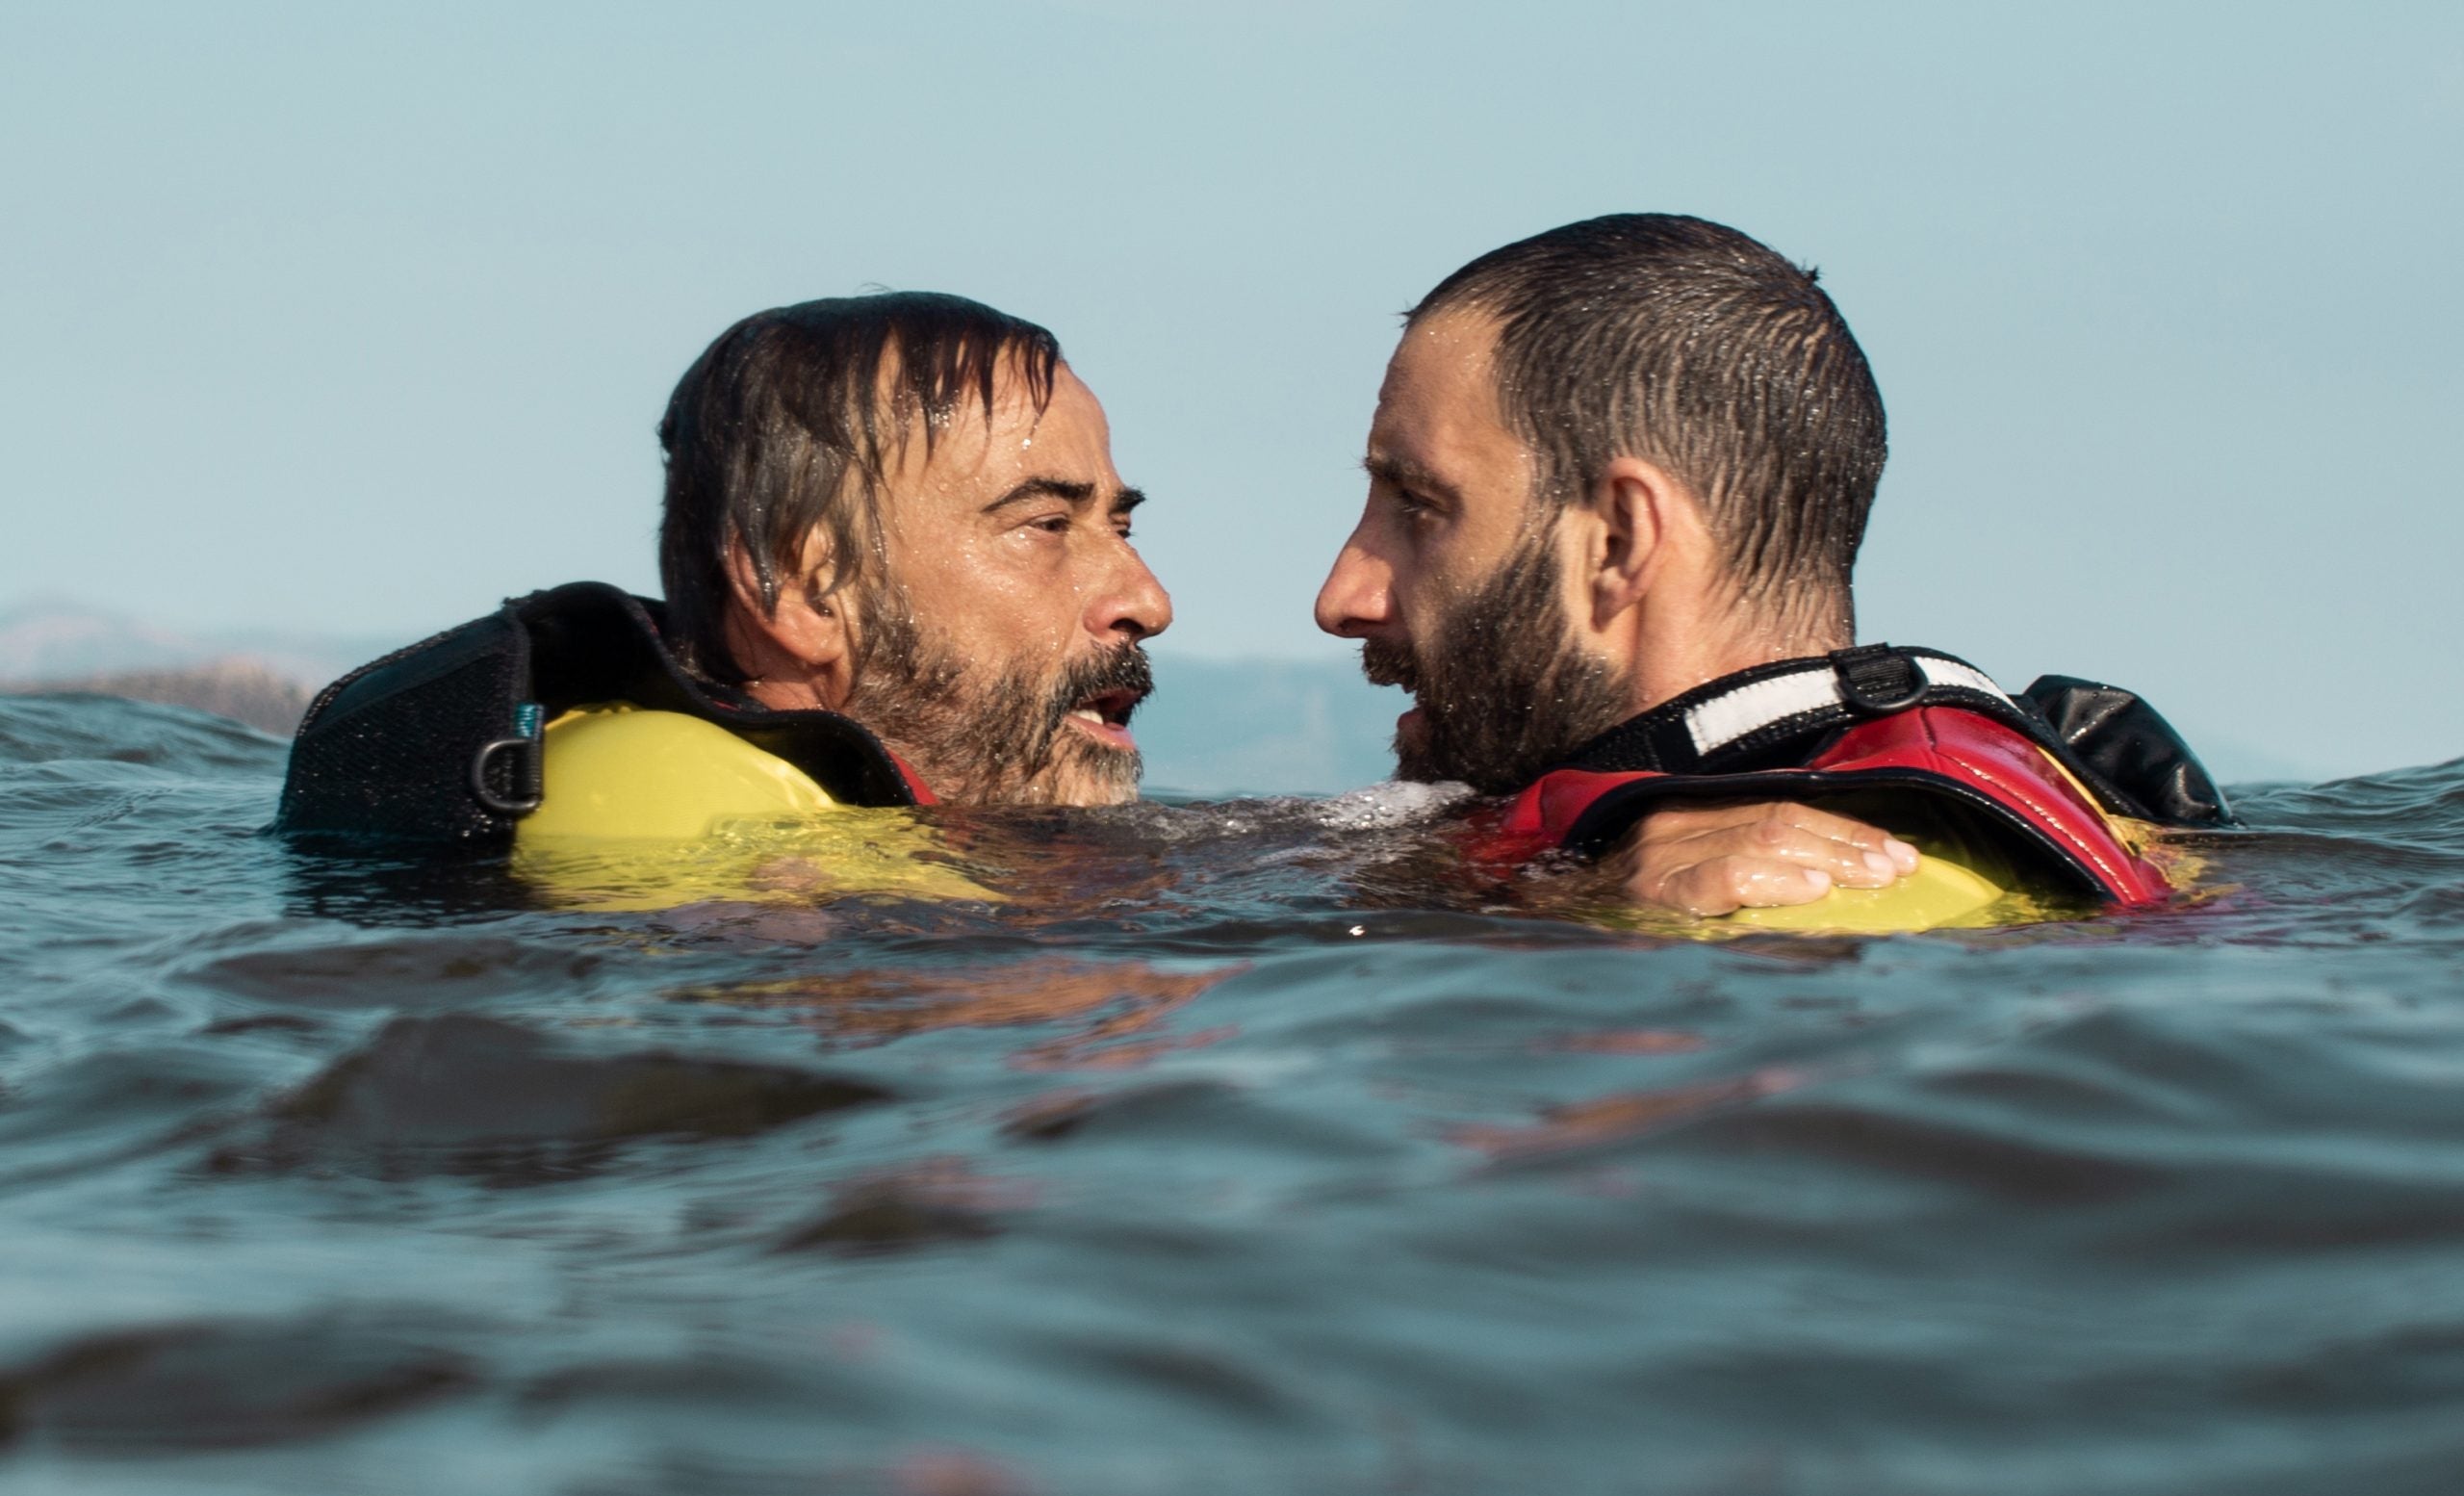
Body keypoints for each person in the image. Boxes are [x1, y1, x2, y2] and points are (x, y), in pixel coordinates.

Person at [271, 287, 1938, 913]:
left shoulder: (901, 841)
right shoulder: (682, 842)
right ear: (798, 588)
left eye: (1122, 524)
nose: (1143, 594)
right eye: (1042, 526)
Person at [1314, 214, 2227, 926]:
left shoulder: (1789, 908)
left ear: (1620, 542)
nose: (1342, 598)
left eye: (1420, 506)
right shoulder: (1624, 862)